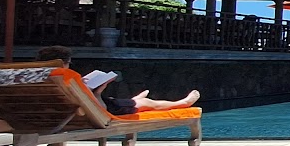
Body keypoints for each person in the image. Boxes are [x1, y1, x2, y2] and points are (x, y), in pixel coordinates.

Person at [32, 46, 200, 112]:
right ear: (65, 63)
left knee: (129, 102)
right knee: (147, 103)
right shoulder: (68, 77)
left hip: (54, 114)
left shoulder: (30, 78)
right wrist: (99, 90)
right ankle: (183, 103)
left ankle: (132, 100)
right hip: (88, 111)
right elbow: (100, 108)